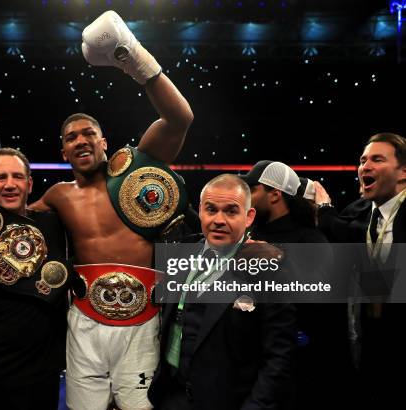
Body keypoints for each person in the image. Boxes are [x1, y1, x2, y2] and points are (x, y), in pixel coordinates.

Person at [30, 10, 194, 410]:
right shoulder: (57, 196)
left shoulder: (138, 168)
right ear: (63, 149)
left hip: (144, 318)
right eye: (72, 137)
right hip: (84, 319)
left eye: (89, 133)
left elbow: (180, 117)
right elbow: (10, 219)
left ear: (104, 142)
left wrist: (133, 58)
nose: (81, 140)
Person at [148, 174, 296, 410]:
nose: (219, 219)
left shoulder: (269, 270)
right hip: (172, 396)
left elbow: (279, 356)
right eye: (211, 209)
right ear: (200, 211)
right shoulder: (181, 254)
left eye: (231, 211)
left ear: (249, 217)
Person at [0, 148, 79, 410]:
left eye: (17, 177)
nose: (10, 184)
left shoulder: (56, 224)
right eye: (0, 178)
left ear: (30, 183)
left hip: (44, 371)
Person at [241, 161, 354, 409]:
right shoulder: (250, 238)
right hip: (253, 364)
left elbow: (320, 303)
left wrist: (280, 259)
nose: (246, 195)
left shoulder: (311, 240)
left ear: (275, 194)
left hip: (297, 372)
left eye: (253, 188)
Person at [315, 132, 406, 409]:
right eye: (363, 160)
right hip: (367, 348)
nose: (365, 166)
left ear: (403, 172)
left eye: (377, 159)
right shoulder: (362, 212)